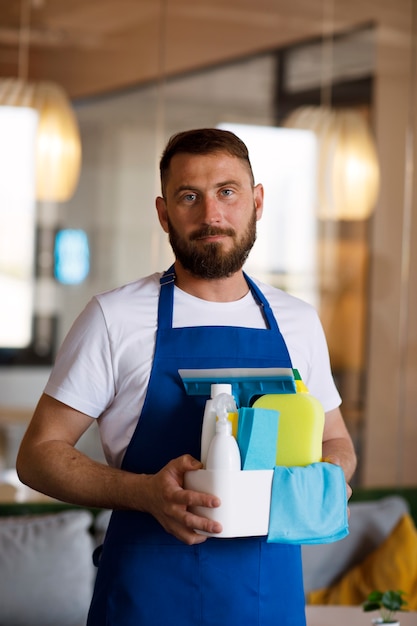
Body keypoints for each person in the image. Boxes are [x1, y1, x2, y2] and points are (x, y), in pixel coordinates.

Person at [17, 128, 357, 626]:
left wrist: (325, 480)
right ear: (163, 213)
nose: (211, 215)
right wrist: (144, 492)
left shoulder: (297, 321)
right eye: (189, 197)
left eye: (227, 192)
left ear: (257, 202)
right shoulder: (114, 318)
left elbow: (336, 441)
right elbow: (37, 455)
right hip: (148, 601)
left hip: (269, 601)